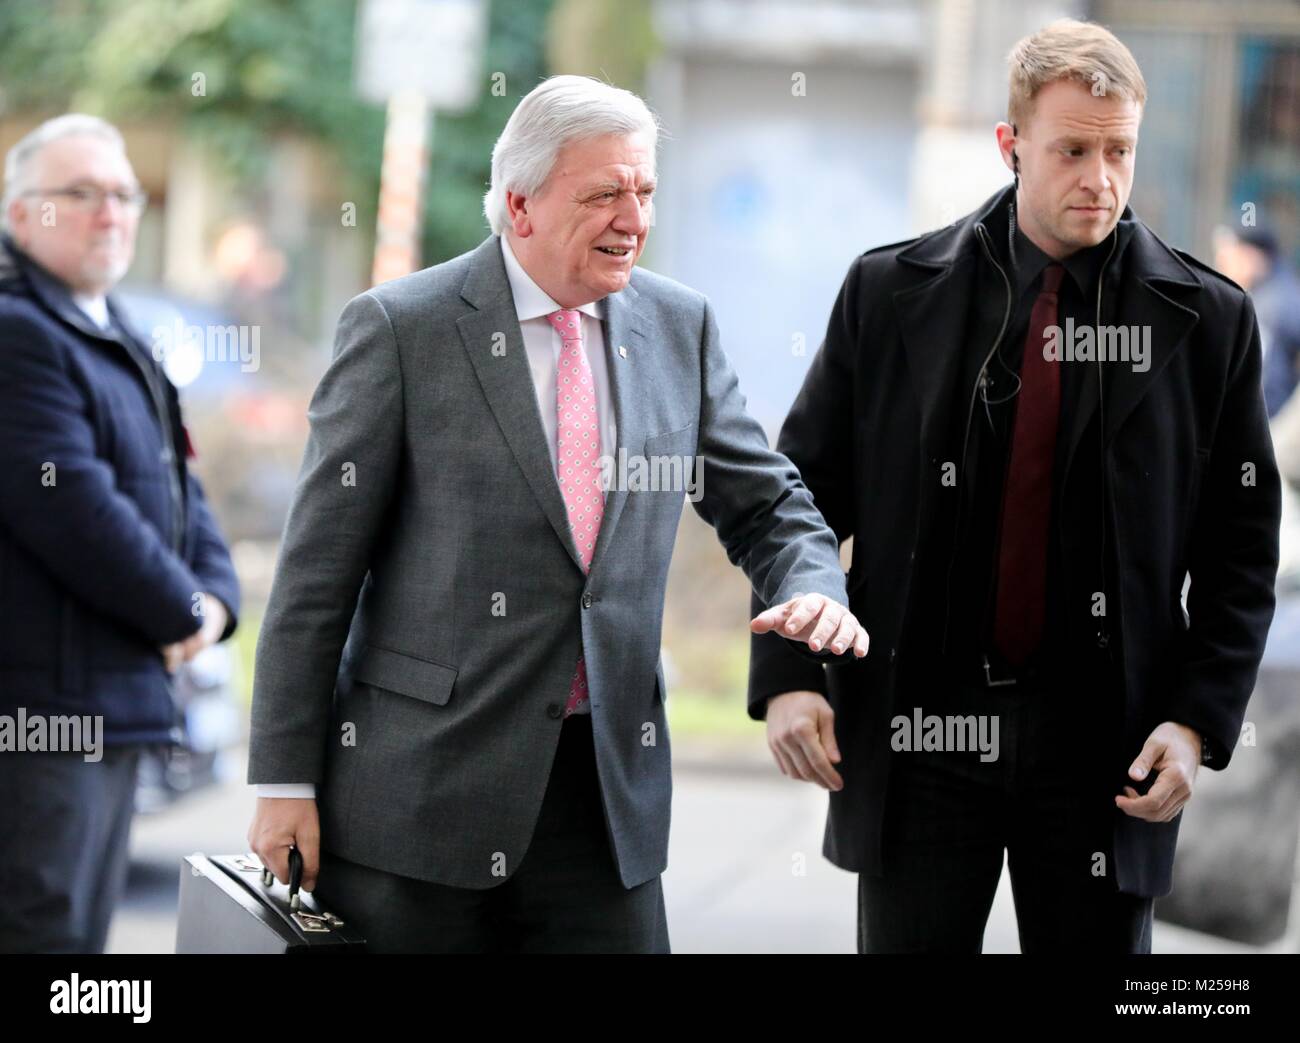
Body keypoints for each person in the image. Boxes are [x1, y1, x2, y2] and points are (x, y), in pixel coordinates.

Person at [246, 75, 867, 954]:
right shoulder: (402, 329)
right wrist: (283, 777)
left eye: (645, 189)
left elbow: (766, 501)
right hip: (419, 803)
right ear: (520, 206)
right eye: (604, 192)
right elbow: (315, 574)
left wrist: (814, 583)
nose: (633, 216)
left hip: (606, 801)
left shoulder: (677, 325)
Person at [749, 20, 1281, 954]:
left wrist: (1198, 722)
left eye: (1119, 150)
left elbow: (1241, 552)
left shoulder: (1208, 321)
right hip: (923, 728)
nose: (1101, 178)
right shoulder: (889, 293)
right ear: (1012, 145)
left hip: (1105, 746)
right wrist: (792, 675)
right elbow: (800, 497)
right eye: (1073, 150)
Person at [0, 114, 240, 953]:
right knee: (45, 937)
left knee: (80, 945)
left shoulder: (117, 330)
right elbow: (71, 505)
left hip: (115, 703)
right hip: (40, 715)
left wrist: (213, 602)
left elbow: (183, 485)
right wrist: (180, 610)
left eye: (124, 194)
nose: (111, 211)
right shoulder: (17, 330)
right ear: (24, 212)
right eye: (82, 193)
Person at [1213, 225, 1300, 418]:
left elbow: (1267, 390)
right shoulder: (1283, 292)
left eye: (1229, 257)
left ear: (1253, 258)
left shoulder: (1270, 308)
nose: (1221, 264)